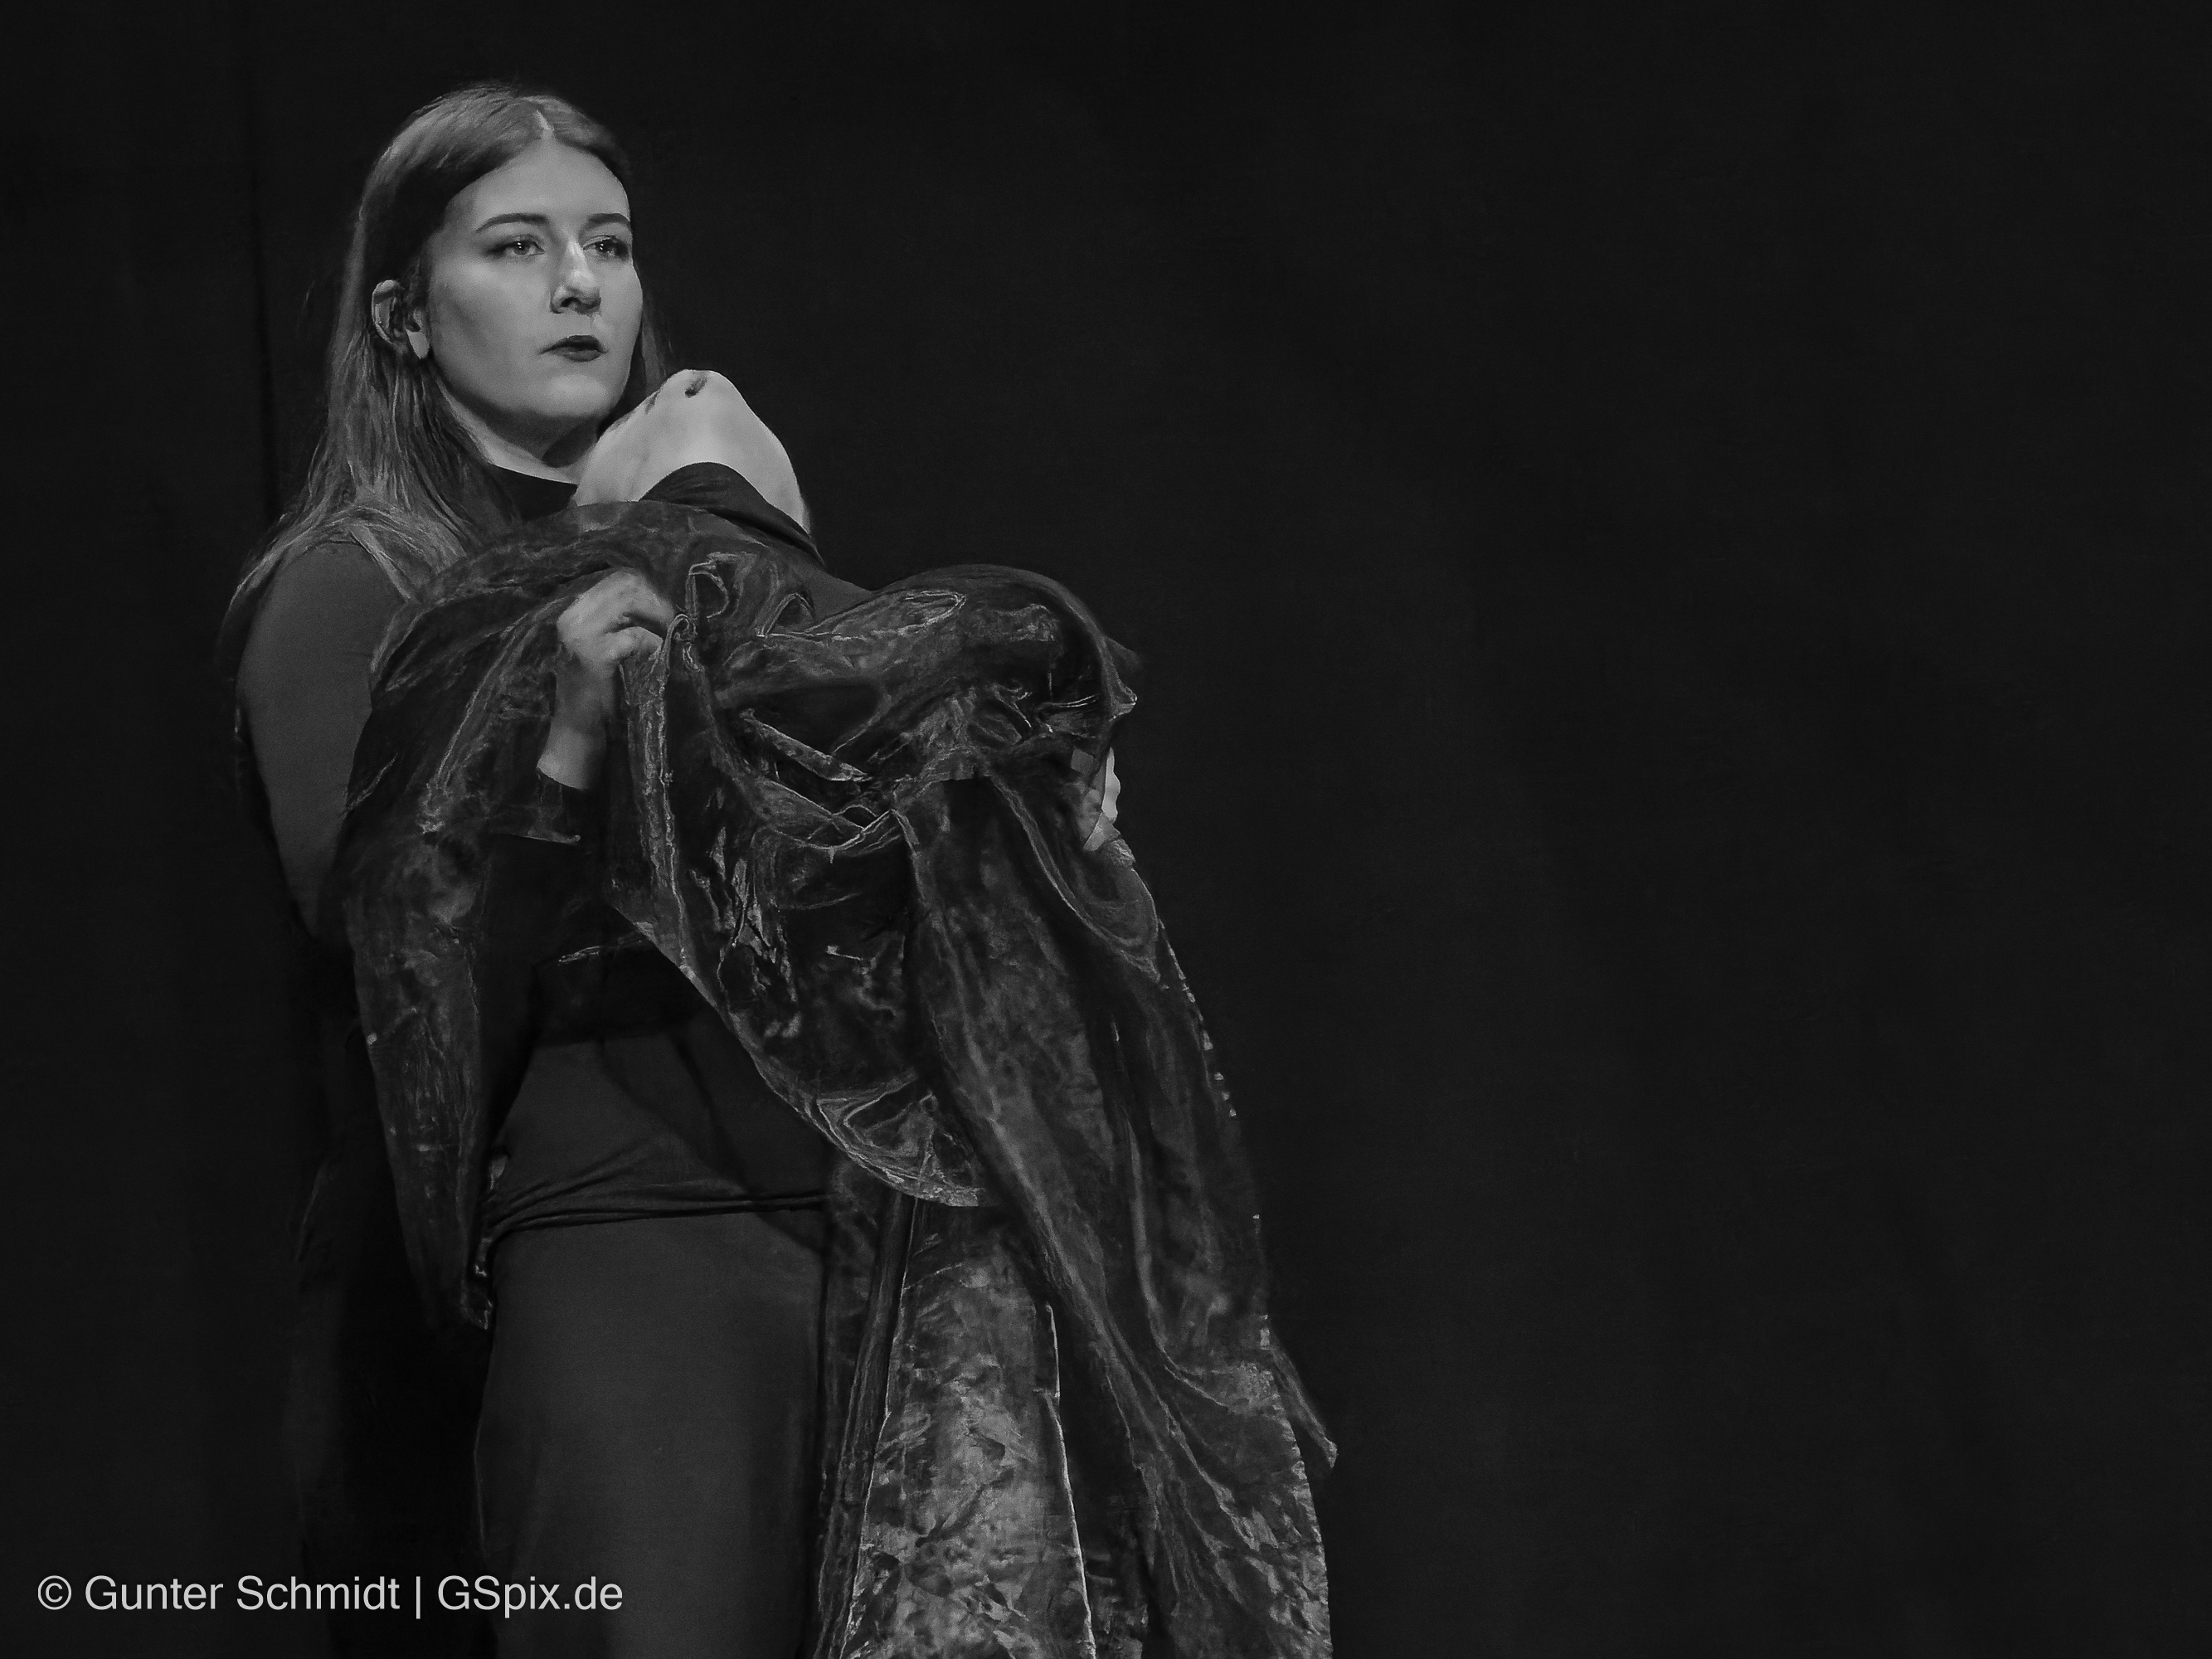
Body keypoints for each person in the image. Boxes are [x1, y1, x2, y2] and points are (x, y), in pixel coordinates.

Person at [230, 81, 1320, 1659]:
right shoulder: (354, 588)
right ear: (405, 316)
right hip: (572, 1249)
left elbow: (830, 880)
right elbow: (391, 964)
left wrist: (1023, 804)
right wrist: (566, 751)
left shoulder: (710, 544)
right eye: (518, 247)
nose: (579, 284)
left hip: (833, 1231)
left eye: (608, 244)